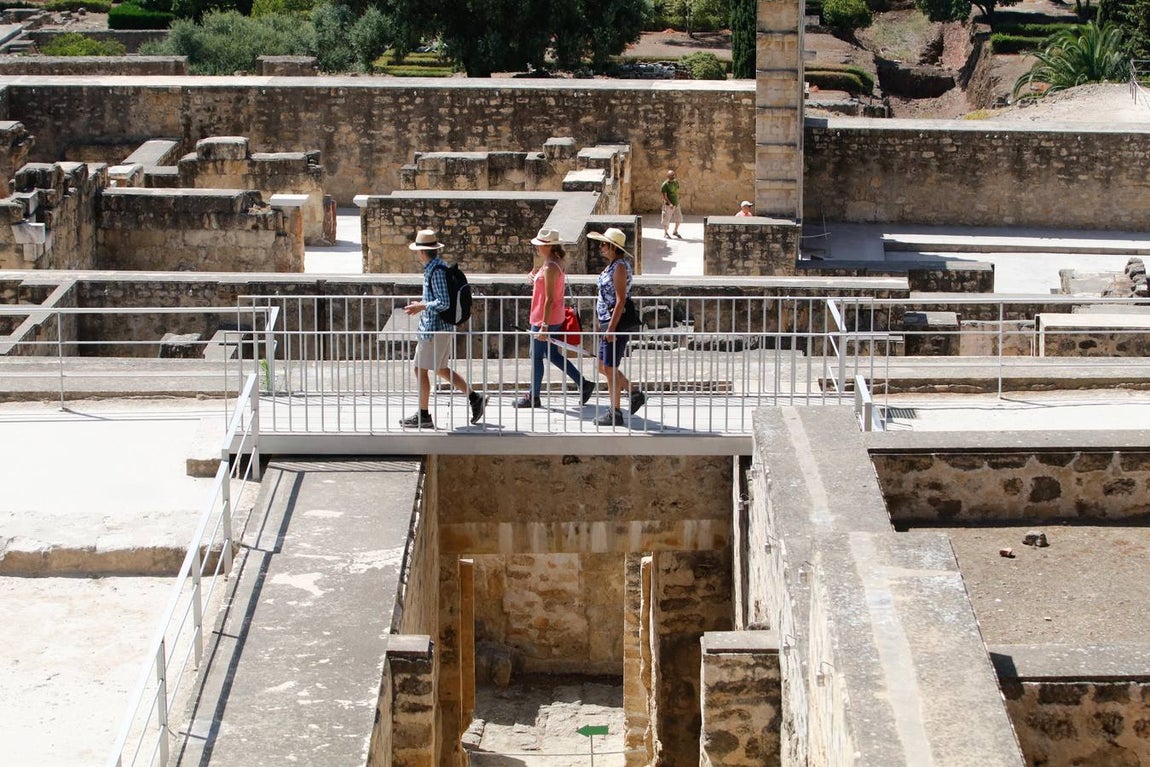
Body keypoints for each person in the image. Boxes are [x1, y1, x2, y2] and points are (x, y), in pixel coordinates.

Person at [400, 228, 487, 429]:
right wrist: (422, 302)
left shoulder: (436, 270)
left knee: (420, 369)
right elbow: (437, 299)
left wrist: (421, 306)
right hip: (435, 328)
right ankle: (475, 398)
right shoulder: (436, 267)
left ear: (422, 252)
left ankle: (424, 416)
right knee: (439, 368)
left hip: (435, 329)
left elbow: (444, 302)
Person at [515, 227, 596, 409]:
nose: (537, 248)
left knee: (535, 356)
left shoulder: (551, 266)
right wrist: (535, 277)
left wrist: (543, 325)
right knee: (552, 355)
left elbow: (549, 298)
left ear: (549, 246)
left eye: (540, 245)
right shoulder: (553, 263)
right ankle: (584, 384)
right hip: (554, 317)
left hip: (545, 319)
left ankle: (533, 396)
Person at [587, 227, 646, 427]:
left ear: (613, 246)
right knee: (603, 366)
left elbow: (620, 300)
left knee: (609, 368)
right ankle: (633, 392)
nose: (601, 247)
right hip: (608, 321)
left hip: (615, 323)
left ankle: (616, 411)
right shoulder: (613, 265)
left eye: (604, 244)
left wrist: (611, 328)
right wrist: (600, 321)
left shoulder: (619, 267)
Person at [660, 169, 683, 239]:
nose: (673, 176)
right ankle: (666, 233)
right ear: (668, 176)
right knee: (666, 219)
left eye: (673, 175)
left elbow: (676, 191)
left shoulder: (675, 182)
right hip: (668, 205)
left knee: (679, 218)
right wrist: (670, 203)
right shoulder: (665, 185)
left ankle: (675, 231)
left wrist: (676, 201)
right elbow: (665, 196)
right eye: (671, 175)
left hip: (676, 203)